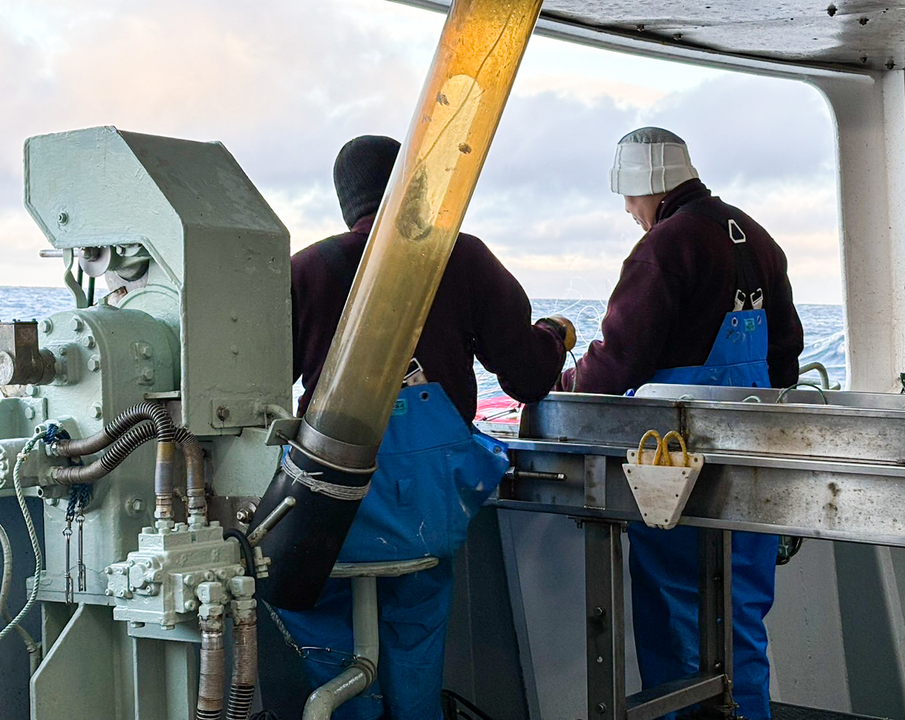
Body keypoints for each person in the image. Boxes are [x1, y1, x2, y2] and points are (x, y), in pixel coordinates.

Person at [281, 134, 574, 720]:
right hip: (426, 506)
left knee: (316, 618)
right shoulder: (461, 257)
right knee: (416, 633)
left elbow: (253, 390)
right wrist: (556, 335)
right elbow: (527, 376)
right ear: (416, 186)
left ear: (346, 202)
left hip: (330, 502)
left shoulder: (305, 270)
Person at [561, 128, 803, 719]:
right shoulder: (757, 238)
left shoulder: (664, 247)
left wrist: (561, 386)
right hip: (750, 462)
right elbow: (787, 355)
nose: (628, 211)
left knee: (676, 612)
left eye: (629, 197)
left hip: (678, 465)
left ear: (649, 186)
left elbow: (620, 359)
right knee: (741, 613)